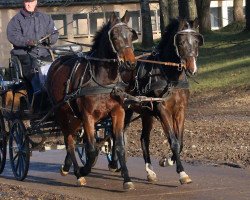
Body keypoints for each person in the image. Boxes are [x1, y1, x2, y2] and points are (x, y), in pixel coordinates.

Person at [6, 0, 58, 110]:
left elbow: (54, 33)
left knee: (55, 72)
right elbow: (13, 36)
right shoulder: (16, 20)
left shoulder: (45, 18)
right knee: (35, 75)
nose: (29, 4)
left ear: (36, 2)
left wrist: (50, 38)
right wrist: (27, 42)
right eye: (26, 2)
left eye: (31, 2)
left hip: (44, 53)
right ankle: (37, 106)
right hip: (25, 55)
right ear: (23, 3)